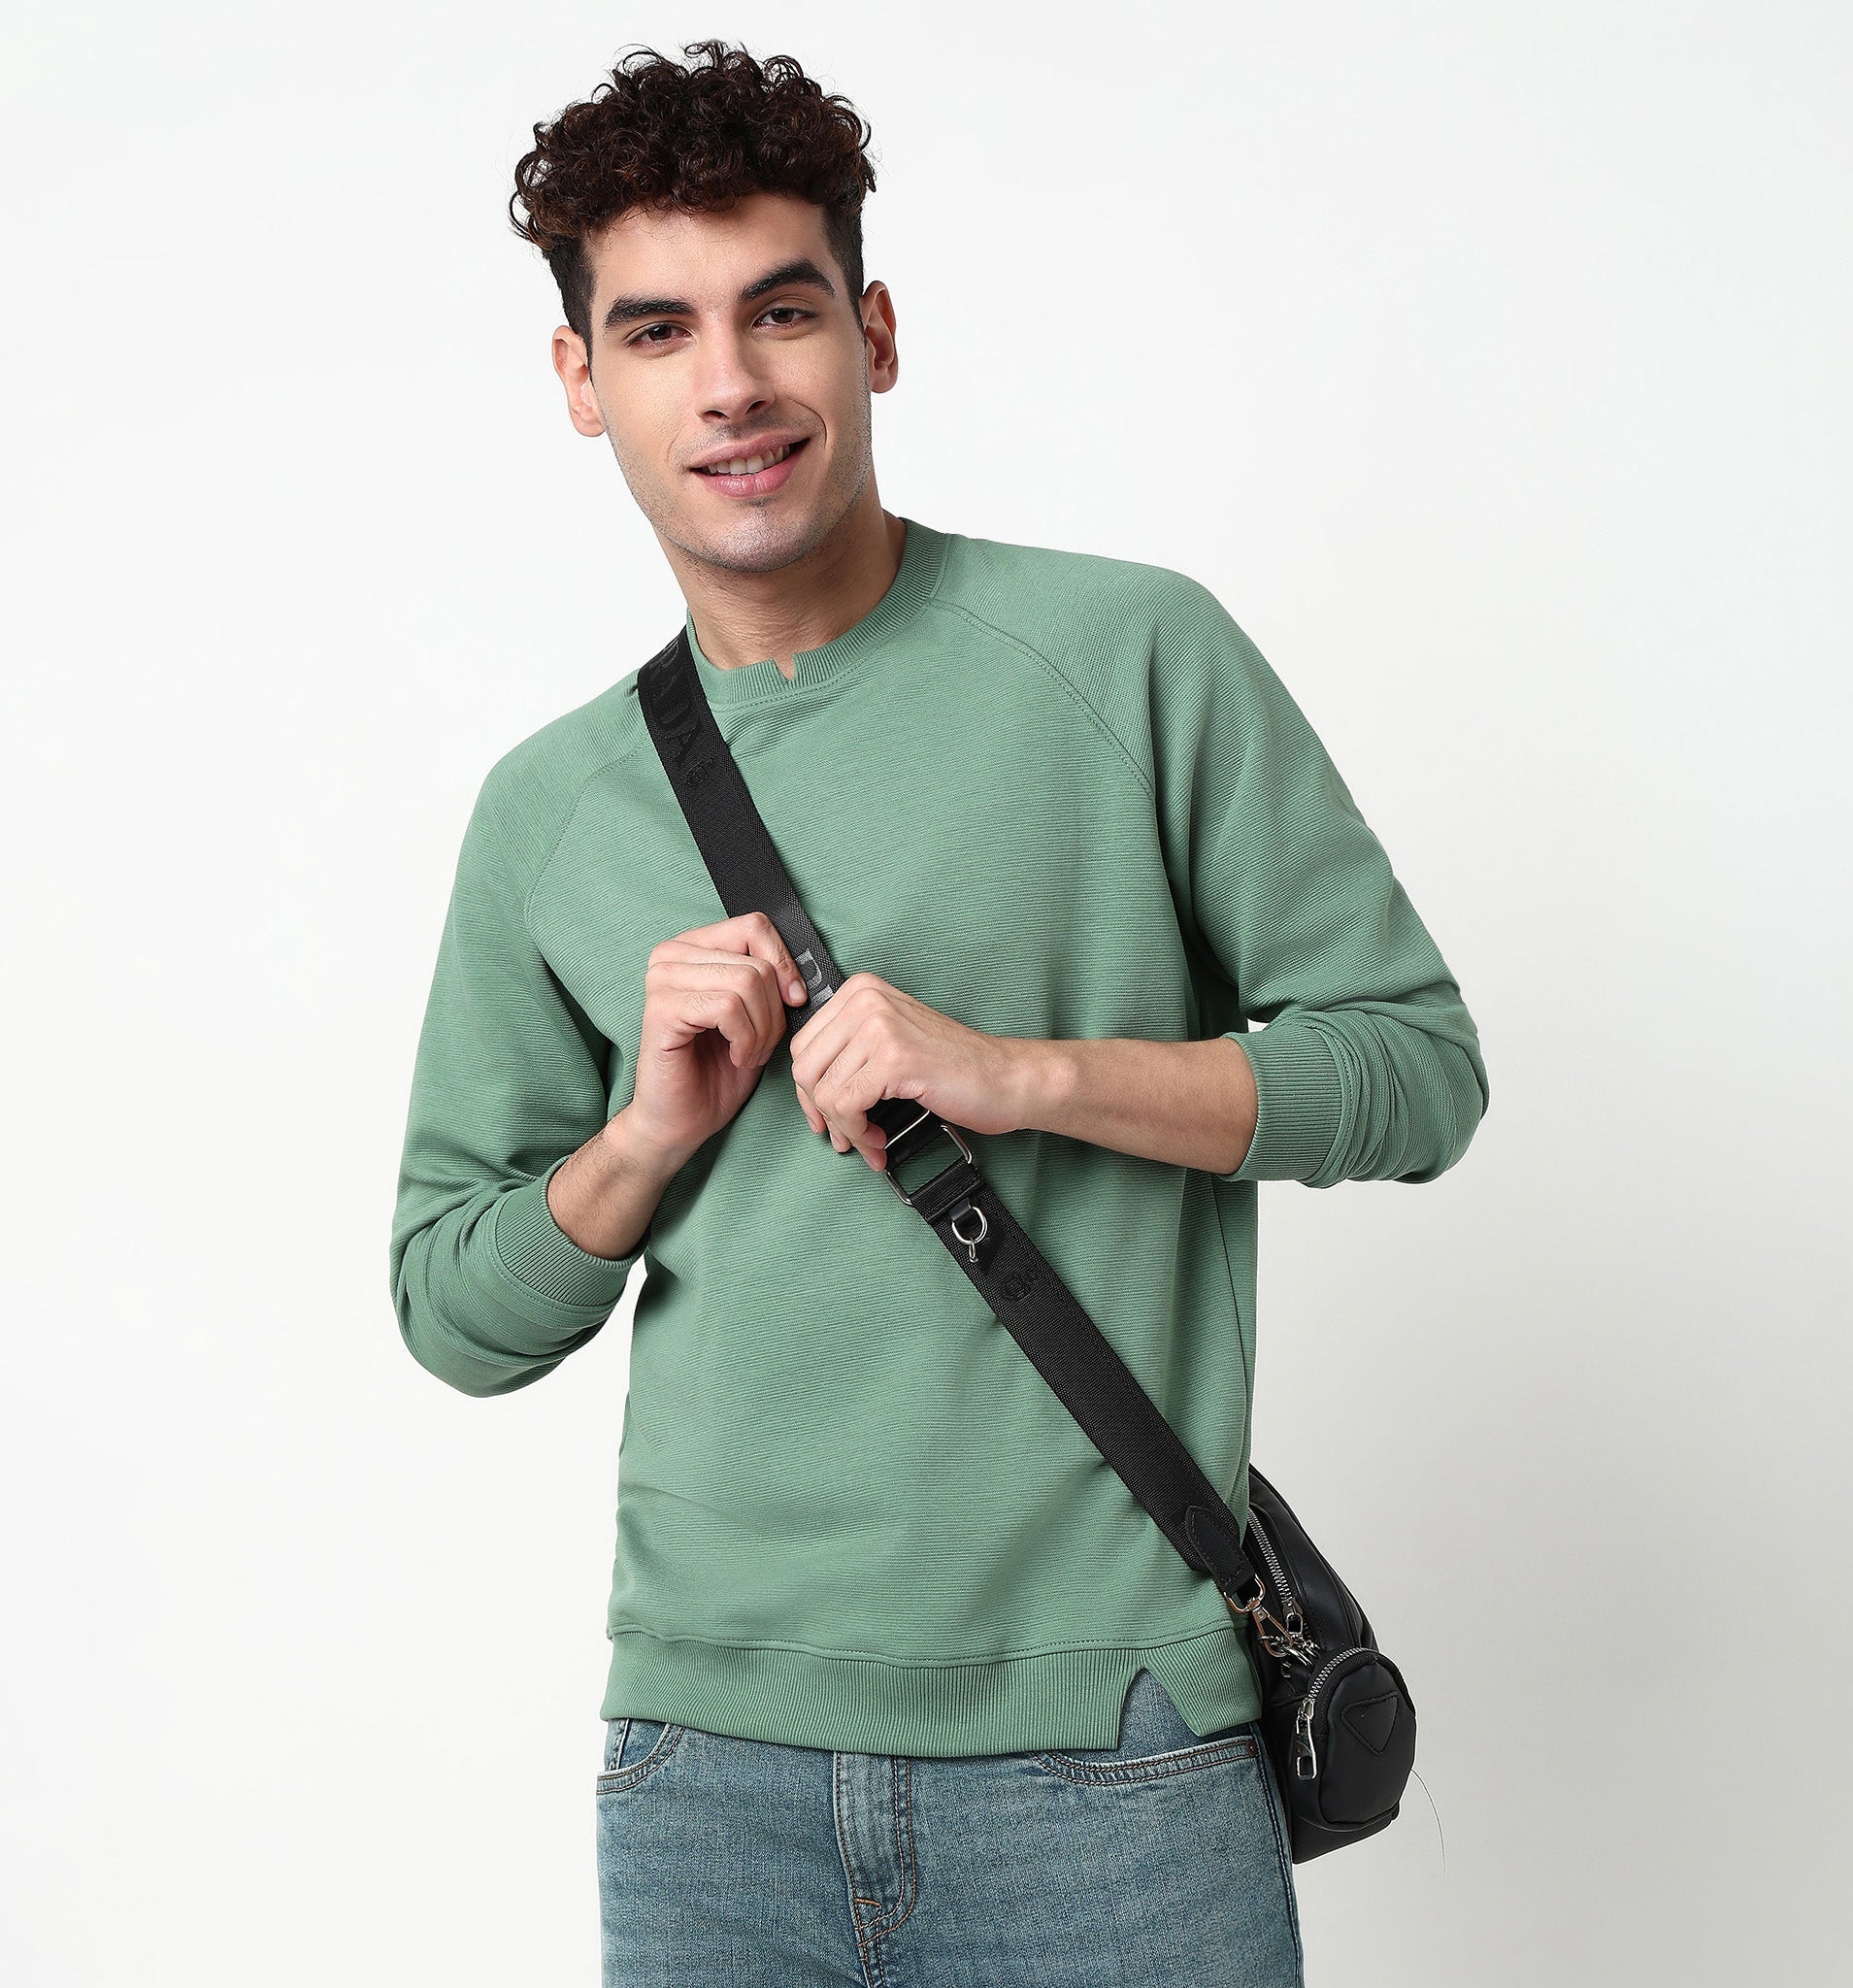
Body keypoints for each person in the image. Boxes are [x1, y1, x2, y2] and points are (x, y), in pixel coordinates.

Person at [388, 40, 1487, 1988]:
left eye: (780, 310)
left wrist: (1019, 1072)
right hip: (705, 1770)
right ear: (581, 380)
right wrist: (642, 1138)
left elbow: (1413, 1071)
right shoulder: (549, 809)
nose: (729, 384)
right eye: (657, 331)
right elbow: (452, 1310)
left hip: (1112, 1748)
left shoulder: (1128, 656)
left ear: (872, 333)